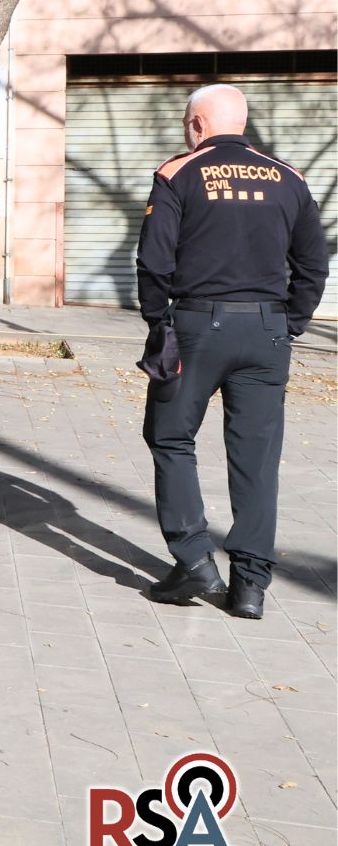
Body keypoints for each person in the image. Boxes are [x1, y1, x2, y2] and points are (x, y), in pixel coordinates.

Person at [135, 84, 329, 619]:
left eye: (186, 122)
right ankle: (249, 587)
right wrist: (290, 323)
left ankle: (194, 559)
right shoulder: (289, 178)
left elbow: (154, 261)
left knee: (170, 435)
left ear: (198, 124)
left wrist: (158, 323)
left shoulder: (178, 173)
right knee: (257, 458)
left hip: (198, 326)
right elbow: (314, 264)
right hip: (267, 332)